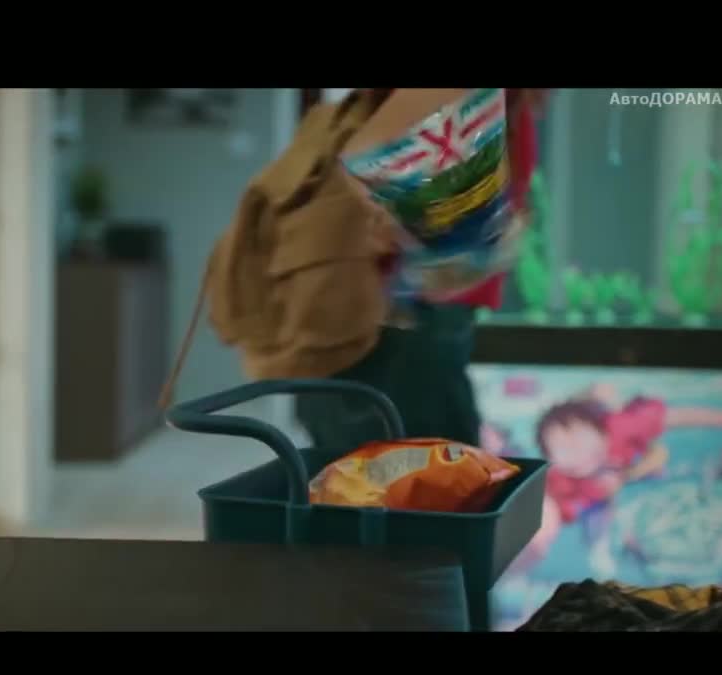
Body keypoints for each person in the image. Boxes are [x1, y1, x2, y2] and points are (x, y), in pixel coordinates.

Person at [161, 88, 546, 452]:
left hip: (388, 325)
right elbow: (369, 152)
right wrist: (459, 240)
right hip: (394, 330)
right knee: (421, 486)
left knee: (385, 482)